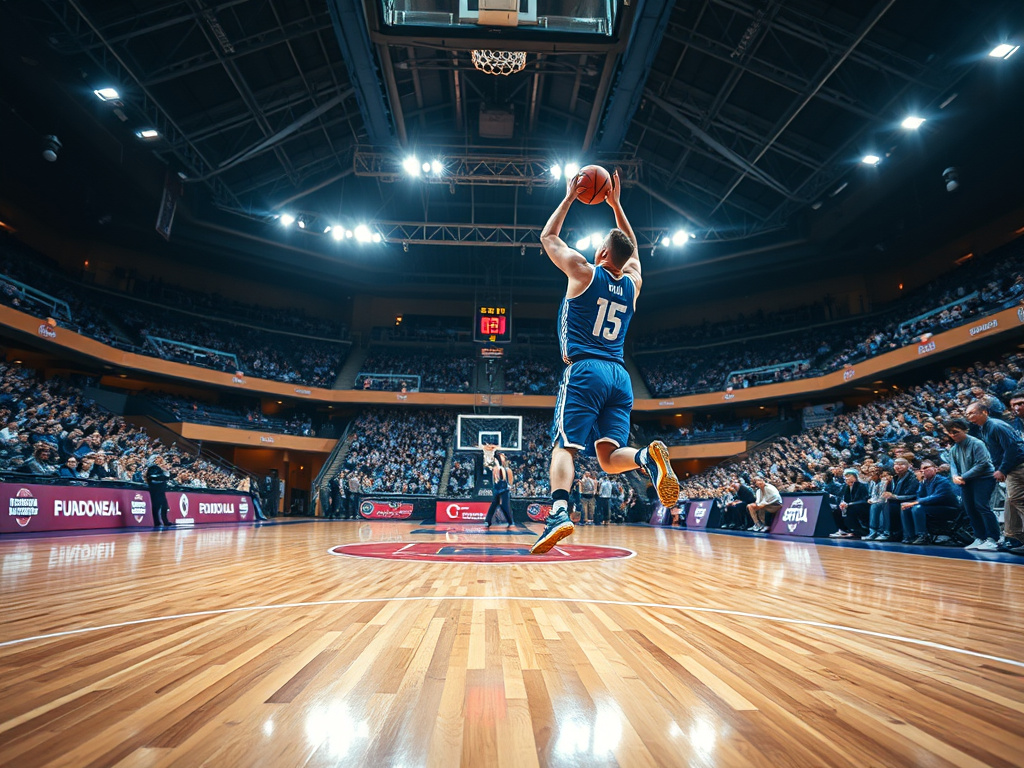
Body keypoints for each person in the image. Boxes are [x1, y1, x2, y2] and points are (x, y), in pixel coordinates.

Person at [531, 170, 678, 555]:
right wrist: (615, 204)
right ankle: (647, 457)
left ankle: (559, 512)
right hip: (619, 375)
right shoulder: (633, 284)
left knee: (565, 447)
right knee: (611, 459)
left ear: (600, 254)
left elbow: (548, 237)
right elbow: (634, 253)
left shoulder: (582, 271)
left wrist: (568, 198)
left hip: (584, 369)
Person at [965, 399, 1024, 554]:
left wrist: (1002, 469)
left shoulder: (996, 426)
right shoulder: (984, 428)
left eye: (972, 412)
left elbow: (1013, 448)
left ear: (984, 412)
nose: (969, 416)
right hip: (1013, 469)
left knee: (1017, 501)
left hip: (1018, 467)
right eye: (967, 414)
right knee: (1010, 503)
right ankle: (1014, 538)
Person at [945, 417, 999, 551]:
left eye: (956, 432)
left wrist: (962, 476)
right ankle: (979, 537)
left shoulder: (977, 443)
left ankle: (993, 539)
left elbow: (983, 463)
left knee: (982, 507)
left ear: (965, 430)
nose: (953, 435)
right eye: (950, 432)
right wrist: (954, 476)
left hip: (983, 478)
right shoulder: (954, 449)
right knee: (970, 509)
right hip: (966, 481)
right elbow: (953, 465)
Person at [900, 461, 959, 545]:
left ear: (936, 469)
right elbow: (919, 496)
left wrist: (915, 503)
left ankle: (923, 536)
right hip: (932, 507)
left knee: (917, 508)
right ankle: (909, 536)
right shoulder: (924, 482)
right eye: (921, 470)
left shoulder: (943, 481)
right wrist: (916, 501)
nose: (923, 471)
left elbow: (937, 497)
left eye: (926, 468)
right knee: (906, 507)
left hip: (949, 508)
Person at [878, 457, 918, 541]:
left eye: (901, 464)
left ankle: (889, 532)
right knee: (879, 504)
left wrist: (894, 496)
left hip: (910, 501)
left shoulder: (913, 478)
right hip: (897, 501)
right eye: (896, 464)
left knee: (889, 505)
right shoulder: (894, 478)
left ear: (908, 466)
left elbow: (911, 494)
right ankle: (881, 531)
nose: (898, 466)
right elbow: (889, 492)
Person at [829, 468, 869, 538]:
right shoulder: (845, 486)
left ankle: (856, 531)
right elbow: (841, 497)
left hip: (861, 506)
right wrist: (842, 503)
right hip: (848, 505)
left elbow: (863, 499)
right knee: (835, 510)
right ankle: (843, 530)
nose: (847, 478)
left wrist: (849, 504)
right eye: (846, 476)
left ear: (855, 476)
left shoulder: (862, 486)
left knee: (851, 509)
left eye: (849, 476)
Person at [485, 453, 514, 528]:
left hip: (505, 488)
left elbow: (510, 479)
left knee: (504, 505)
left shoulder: (507, 469)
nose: (503, 458)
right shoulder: (496, 468)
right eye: (502, 457)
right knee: (494, 504)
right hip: (498, 488)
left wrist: (509, 485)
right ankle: (488, 521)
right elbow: (495, 479)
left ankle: (510, 521)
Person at [145, 456, 172, 528]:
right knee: (156, 506)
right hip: (155, 489)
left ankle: (165, 521)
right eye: (159, 458)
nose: (161, 460)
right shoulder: (153, 468)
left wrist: (165, 470)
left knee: (165, 506)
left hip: (161, 489)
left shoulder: (161, 469)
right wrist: (162, 477)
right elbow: (153, 477)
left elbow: (167, 477)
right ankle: (156, 522)